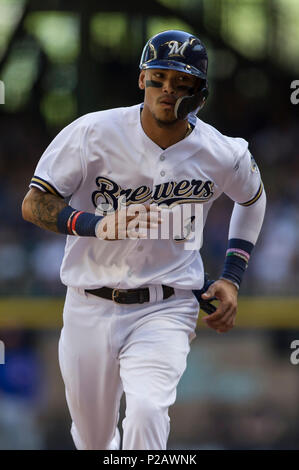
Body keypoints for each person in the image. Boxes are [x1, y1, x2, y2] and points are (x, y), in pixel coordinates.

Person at [21, 30, 266, 450]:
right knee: (94, 441)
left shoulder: (222, 153)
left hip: (166, 306)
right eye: (158, 77)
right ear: (142, 80)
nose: (167, 89)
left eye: (181, 81)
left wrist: (232, 275)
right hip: (88, 303)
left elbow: (253, 199)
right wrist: (95, 224)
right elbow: (34, 203)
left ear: (200, 94)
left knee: (148, 411)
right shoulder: (92, 133)